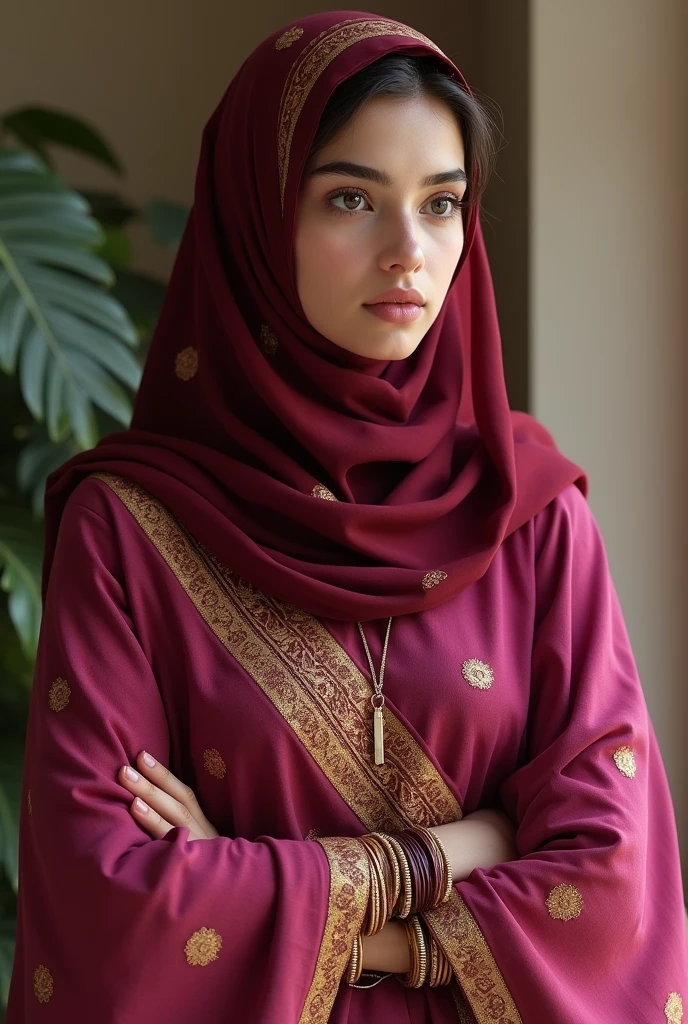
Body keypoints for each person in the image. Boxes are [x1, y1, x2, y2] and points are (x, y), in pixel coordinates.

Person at [7, 11, 688, 1023]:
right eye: (350, 198)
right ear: (257, 213)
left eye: (443, 203)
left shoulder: (527, 512)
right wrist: (469, 845)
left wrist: (278, 890)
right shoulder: (133, 529)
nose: (407, 251)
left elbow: (612, 883)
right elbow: (112, 907)